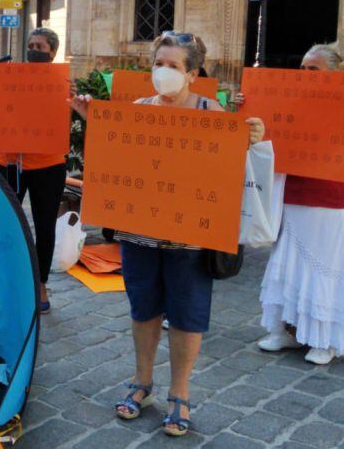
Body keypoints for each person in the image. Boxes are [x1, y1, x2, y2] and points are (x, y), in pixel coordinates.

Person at [70, 32, 265, 437]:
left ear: (193, 73)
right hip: (140, 233)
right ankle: (142, 382)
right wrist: (94, 120)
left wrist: (252, 139)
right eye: (158, 63)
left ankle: (180, 392)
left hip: (190, 240)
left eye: (173, 66)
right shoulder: (138, 109)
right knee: (143, 308)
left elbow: (230, 171)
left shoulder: (214, 113)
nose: (163, 72)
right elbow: (121, 155)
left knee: (187, 315)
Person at [251, 44, 344, 366]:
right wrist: (247, 107)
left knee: (325, 268)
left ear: (333, 75)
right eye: (303, 68)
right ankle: (286, 331)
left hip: (329, 200)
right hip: (293, 195)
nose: (306, 75)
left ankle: (324, 338)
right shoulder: (287, 101)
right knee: (289, 263)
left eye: (314, 70)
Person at [0, 28, 70, 315]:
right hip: (11, 161)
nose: (34, 49)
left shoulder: (63, 83)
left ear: (52, 52)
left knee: (45, 225)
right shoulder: (11, 76)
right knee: (7, 222)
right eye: (30, 45)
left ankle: (40, 283)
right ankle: (10, 280)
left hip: (49, 164)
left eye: (40, 46)